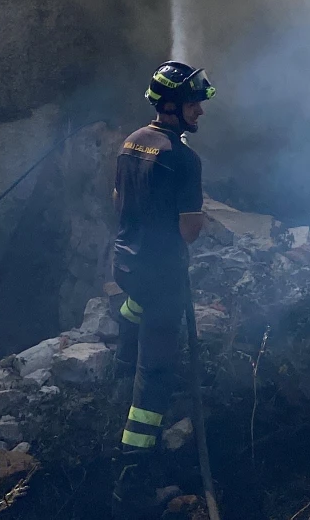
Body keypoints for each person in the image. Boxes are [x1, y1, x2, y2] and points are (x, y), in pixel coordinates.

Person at [109, 61, 215, 513]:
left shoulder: (132, 141)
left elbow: (120, 200)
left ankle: (117, 364)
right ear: (173, 106)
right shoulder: (184, 159)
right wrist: (197, 216)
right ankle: (131, 483)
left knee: (134, 308)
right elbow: (188, 231)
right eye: (195, 103)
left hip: (126, 264)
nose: (201, 112)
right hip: (162, 276)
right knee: (155, 379)